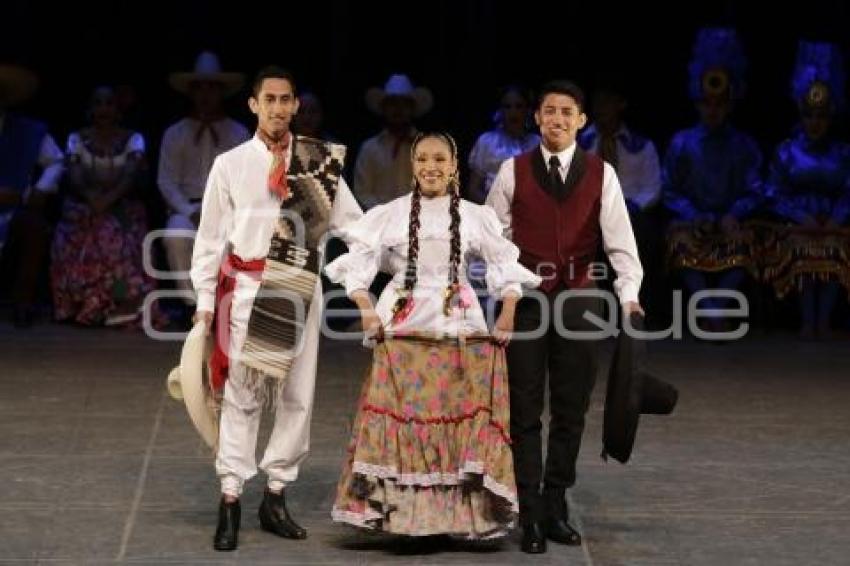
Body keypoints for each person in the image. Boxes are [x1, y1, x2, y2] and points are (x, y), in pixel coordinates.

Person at [325, 131, 540, 538]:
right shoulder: (391, 213)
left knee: (457, 420)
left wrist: (508, 311)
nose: (431, 167)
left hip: (456, 323)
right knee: (404, 421)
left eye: (440, 159)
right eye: (423, 159)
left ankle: (453, 520)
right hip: (404, 328)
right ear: (413, 165)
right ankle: (402, 518)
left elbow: (503, 265)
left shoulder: (476, 216)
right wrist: (367, 310)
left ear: (454, 166)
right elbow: (358, 264)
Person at [190, 65, 361, 551]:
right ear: (254, 104)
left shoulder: (316, 161)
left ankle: (277, 493)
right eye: (271, 99)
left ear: (296, 106)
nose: (280, 108)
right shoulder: (230, 163)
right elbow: (208, 242)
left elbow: (354, 225)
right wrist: (205, 305)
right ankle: (230, 497)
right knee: (243, 394)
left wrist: (394, 251)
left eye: (287, 100)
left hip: (301, 283)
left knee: (296, 396)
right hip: (246, 287)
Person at [486, 80, 643, 554]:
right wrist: (506, 292)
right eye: (548, 110)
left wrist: (629, 294)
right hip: (528, 299)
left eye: (566, 111)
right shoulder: (511, 172)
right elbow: (494, 245)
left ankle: (555, 505)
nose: (556, 118)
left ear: (581, 121)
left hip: (579, 298)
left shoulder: (602, 174)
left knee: (571, 410)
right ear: (537, 118)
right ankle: (529, 513)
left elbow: (620, 241)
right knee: (525, 409)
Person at [662, 28, 763, 334]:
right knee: (679, 245)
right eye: (707, 104)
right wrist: (693, 215)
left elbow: (757, 188)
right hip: (694, 223)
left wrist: (734, 213)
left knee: (748, 247)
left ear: (730, 105)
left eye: (719, 104)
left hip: (730, 223)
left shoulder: (744, 144)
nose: (713, 110)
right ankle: (711, 311)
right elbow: (668, 189)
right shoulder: (682, 142)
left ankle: (715, 309)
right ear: (697, 104)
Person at [764, 41, 850, 339]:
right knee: (802, 247)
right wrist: (800, 217)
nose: (815, 123)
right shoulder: (787, 151)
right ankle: (806, 320)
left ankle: (823, 321)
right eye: (809, 116)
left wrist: (837, 218)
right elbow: (773, 192)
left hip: (833, 225)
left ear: (830, 117)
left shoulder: (843, 152)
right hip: (796, 225)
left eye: (821, 116)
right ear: (801, 115)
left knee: (834, 247)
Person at [51, 86, 153, 327]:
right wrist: (92, 199)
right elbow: (74, 175)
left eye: (109, 104)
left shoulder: (133, 139)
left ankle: (119, 304)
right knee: (76, 231)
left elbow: (130, 176)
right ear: (90, 109)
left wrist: (107, 201)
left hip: (122, 206)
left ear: (118, 110)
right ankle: (84, 305)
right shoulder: (77, 138)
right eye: (98, 103)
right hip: (85, 205)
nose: (103, 109)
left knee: (111, 232)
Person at [158, 51, 249, 315]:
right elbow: (166, 181)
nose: (206, 95)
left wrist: (223, 209)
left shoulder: (238, 132)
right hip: (188, 209)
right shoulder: (175, 133)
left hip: (227, 209)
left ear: (221, 92)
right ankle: (194, 305)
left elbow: (244, 178)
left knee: (234, 237)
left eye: (212, 88)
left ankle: (224, 304)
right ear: (192, 92)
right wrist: (189, 211)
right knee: (176, 235)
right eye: (200, 88)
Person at [0, 63, 64, 327]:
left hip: (14, 207)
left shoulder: (27, 130)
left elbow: (57, 161)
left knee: (35, 228)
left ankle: (22, 302)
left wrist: (37, 190)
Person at [353, 74, 433, 209]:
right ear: (384, 108)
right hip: (380, 225)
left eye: (404, 104)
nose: (398, 109)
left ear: (412, 109)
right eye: (392, 104)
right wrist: (387, 215)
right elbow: (362, 193)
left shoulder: (428, 147)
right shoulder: (370, 148)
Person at [467, 85, 540, 203]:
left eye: (519, 106)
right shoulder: (487, 141)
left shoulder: (536, 143)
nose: (513, 112)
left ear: (527, 110)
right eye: (507, 107)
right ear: (500, 111)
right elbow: (473, 190)